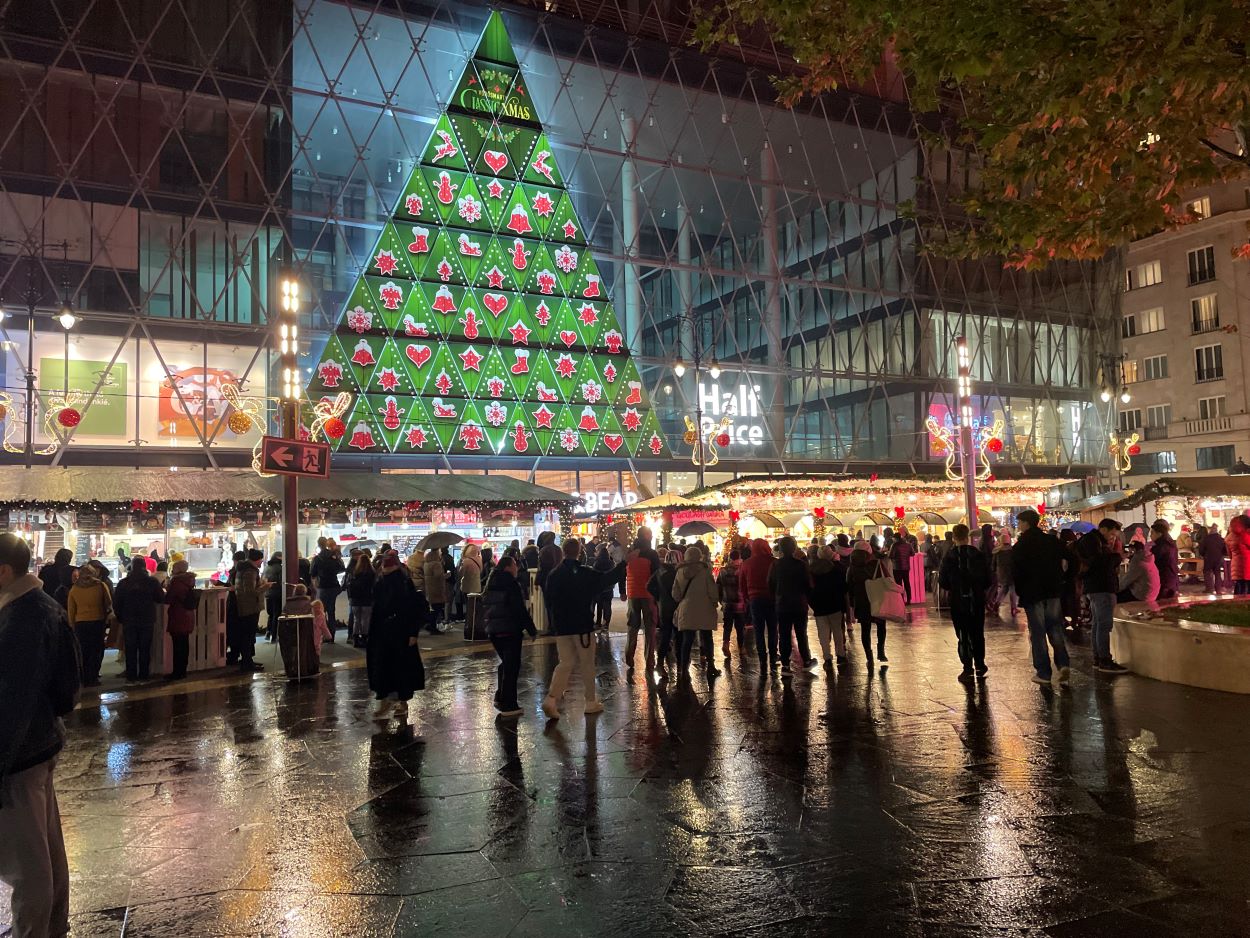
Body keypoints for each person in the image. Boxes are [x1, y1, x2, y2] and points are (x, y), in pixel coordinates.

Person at [0, 532, 77, 938]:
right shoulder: (42, 606)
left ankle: (34, 931)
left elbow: (11, 700)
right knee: (45, 851)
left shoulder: (20, 619)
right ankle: (51, 926)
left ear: (4, 571)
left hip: (20, 752)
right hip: (40, 742)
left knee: (28, 864)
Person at [543, 539, 622, 718]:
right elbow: (606, 580)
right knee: (587, 663)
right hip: (582, 626)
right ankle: (590, 701)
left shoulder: (554, 574)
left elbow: (549, 600)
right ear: (580, 551)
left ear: (563, 551)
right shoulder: (585, 572)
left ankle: (552, 698)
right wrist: (623, 563)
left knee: (565, 662)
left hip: (562, 626)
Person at [1012, 509, 1072, 685]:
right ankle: (1062, 665)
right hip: (1053, 590)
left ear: (1025, 523)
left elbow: (1016, 572)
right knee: (1055, 628)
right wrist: (1065, 578)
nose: (1019, 526)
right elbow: (1072, 558)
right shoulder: (1051, 541)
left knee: (1038, 632)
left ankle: (1044, 672)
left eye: (1020, 523)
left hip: (1032, 593)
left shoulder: (1021, 546)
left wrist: (1020, 591)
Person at [368, 551, 428, 720]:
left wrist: (412, 632)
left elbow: (409, 608)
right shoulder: (395, 581)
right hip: (394, 630)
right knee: (394, 666)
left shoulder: (400, 582)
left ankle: (394, 700)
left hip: (393, 630)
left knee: (391, 666)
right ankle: (394, 700)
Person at [483, 555, 538, 719]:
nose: (517, 568)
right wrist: (531, 628)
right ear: (507, 567)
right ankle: (509, 704)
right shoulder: (511, 584)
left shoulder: (491, 582)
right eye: (514, 565)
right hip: (509, 629)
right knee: (512, 666)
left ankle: (500, 697)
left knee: (506, 664)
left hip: (494, 630)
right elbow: (518, 608)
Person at [938, 524, 991, 680]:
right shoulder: (978, 555)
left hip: (958, 600)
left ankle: (967, 667)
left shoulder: (949, 557)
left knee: (962, 633)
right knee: (977, 632)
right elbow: (988, 579)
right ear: (968, 536)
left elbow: (943, 581)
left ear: (954, 538)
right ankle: (980, 664)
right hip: (976, 600)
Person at [1076, 517, 1127, 674]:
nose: (1112, 538)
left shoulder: (1093, 541)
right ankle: (1104, 660)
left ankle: (1099, 658)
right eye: (1111, 534)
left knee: (1098, 624)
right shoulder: (1093, 542)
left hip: (1096, 587)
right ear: (1103, 529)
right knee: (1103, 624)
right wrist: (1118, 557)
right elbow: (1099, 563)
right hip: (1101, 587)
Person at [112, 557, 166, 681]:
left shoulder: (124, 583)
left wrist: (121, 617)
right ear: (144, 567)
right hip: (147, 619)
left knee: (130, 649)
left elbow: (117, 602)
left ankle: (131, 676)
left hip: (129, 620)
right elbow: (160, 598)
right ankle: (143, 675)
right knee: (145, 649)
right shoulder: (152, 582)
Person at [672, 542, 720, 681]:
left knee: (687, 639)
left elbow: (675, 593)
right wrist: (714, 601)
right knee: (707, 638)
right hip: (704, 607)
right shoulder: (705, 571)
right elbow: (712, 590)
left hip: (687, 609)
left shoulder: (680, 572)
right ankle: (711, 666)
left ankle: (683, 668)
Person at [769, 535, 815, 672]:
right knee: (801, 633)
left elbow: (770, 583)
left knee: (784, 633)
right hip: (799, 603)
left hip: (782, 603)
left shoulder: (775, 565)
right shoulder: (801, 565)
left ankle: (785, 664)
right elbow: (808, 585)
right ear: (794, 548)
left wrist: (775, 597)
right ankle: (806, 660)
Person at [67, 561, 112, 686]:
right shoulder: (101, 585)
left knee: (83, 650)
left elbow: (71, 610)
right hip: (98, 621)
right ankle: (93, 677)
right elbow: (108, 602)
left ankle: (84, 677)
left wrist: (72, 625)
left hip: (80, 623)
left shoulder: (74, 589)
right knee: (96, 650)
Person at [623, 527, 662, 671]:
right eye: (650, 534)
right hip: (647, 594)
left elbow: (623, 570)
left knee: (632, 625)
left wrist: (623, 591)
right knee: (650, 627)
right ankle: (649, 660)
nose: (651, 536)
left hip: (633, 593)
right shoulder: (651, 553)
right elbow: (656, 574)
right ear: (645, 536)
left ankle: (629, 654)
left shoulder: (630, 552)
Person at [847, 541, 891, 667]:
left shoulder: (852, 567)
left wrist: (851, 601)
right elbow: (887, 580)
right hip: (877, 598)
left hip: (861, 601)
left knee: (865, 629)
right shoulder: (877, 563)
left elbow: (849, 585)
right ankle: (881, 651)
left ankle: (869, 656)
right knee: (881, 625)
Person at [741, 537, 778, 669]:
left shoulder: (747, 564)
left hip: (755, 599)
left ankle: (762, 656)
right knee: (773, 627)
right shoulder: (773, 562)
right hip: (772, 599)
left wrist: (747, 598)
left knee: (759, 629)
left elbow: (742, 584)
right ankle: (773, 654)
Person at [808, 545, 849, 668]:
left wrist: (812, 603)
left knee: (823, 633)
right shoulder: (837, 569)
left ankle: (827, 657)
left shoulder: (811, 570)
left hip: (819, 606)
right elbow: (843, 587)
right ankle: (840, 655)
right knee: (837, 630)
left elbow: (808, 588)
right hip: (835, 604)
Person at [230, 549, 267, 672]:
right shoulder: (250, 571)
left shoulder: (242, 569)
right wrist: (264, 587)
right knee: (248, 636)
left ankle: (247, 661)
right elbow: (250, 591)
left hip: (245, 606)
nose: (262, 562)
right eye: (261, 560)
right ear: (257, 559)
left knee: (246, 635)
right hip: (249, 607)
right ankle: (247, 663)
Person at [163, 559, 198, 680]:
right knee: (184, 644)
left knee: (178, 645)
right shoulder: (189, 580)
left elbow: (168, 599)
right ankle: (182, 670)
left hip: (178, 615)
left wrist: (167, 587)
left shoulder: (177, 582)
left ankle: (177, 672)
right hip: (187, 615)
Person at [651, 550, 680, 670]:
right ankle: (680, 664)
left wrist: (658, 597)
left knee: (665, 635)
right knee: (678, 635)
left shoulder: (659, 571)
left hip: (664, 606)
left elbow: (649, 586)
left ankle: (660, 662)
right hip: (676, 606)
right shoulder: (678, 572)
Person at [310, 540, 345, 638]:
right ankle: (331, 634)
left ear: (318, 545)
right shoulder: (333, 557)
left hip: (323, 586)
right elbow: (342, 568)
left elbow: (312, 573)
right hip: (334, 585)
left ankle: (323, 634)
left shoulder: (317, 558)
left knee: (321, 611)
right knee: (331, 610)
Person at [716, 549, 747, 661]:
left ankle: (725, 644)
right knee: (740, 626)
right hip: (740, 602)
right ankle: (741, 648)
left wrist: (720, 600)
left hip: (727, 602)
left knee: (727, 626)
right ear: (739, 557)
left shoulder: (723, 571)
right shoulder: (742, 569)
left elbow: (718, 586)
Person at [346, 552, 376, 647]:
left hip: (355, 600)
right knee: (365, 620)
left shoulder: (355, 572)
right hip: (367, 599)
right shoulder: (371, 573)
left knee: (356, 620)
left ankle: (355, 639)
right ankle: (364, 638)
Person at [1150, 520, 1180, 600]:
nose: (1150, 535)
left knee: (1162, 604)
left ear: (1159, 533)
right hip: (1171, 579)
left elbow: (1154, 562)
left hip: (1163, 580)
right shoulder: (1170, 543)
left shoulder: (1160, 546)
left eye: (1152, 533)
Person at [992, 531, 1017, 618]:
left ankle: (997, 604)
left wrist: (994, 571)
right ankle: (1013, 608)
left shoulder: (997, 551)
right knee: (1012, 589)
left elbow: (993, 563)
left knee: (1004, 588)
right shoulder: (1012, 550)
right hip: (1012, 572)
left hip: (1001, 572)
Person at [422, 548, 447, 634]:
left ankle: (430, 625)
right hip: (437, 588)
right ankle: (432, 627)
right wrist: (446, 574)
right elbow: (438, 576)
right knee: (437, 608)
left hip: (429, 588)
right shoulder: (436, 564)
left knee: (433, 608)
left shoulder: (426, 563)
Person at [1200, 523, 1228, 594]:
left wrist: (1203, 555)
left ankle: (1209, 588)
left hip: (1208, 558)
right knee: (1217, 573)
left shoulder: (1206, 539)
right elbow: (1225, 550)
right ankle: (1218, 589)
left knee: (1207, 573)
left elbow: (1201, 550)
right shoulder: (1221, 539)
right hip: (1218, 558)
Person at [889, 527, 914, 604]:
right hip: (906, 567)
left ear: (895, 538)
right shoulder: (908, 545)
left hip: (897, 567)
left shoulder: (894, 545)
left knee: (899, 584)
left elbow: (890, 556)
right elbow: (912, 554)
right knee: (907, 583)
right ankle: (909, 599)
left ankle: (901, 600)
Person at [263, 551, 283, 641]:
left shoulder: (267, 567)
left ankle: (268, 632)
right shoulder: (280, 568)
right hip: (277, 593)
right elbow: (281, 582)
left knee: (270, 614)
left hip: (268, 593)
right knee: (276, 614)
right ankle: (274, 635)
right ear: (279, 557)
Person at [1228, 516, 1250, 595]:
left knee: (1239, 585)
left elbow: (1230, 554)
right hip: (1246, 566)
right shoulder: (1244, 536)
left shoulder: (1230, 537)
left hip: (1236, 565)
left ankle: (1236, 603)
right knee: (1246, 587)